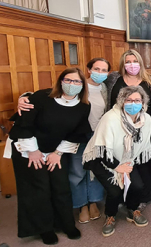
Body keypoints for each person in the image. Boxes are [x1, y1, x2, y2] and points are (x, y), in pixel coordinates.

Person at [17, 58, 111, 224]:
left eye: (104, 70)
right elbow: (49, 95)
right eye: (97, 69)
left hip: (99, 135)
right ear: (89, 70)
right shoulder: (78, 85)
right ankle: (81, 204)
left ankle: (94, 202)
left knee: (96, 170)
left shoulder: (105, 88)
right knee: (77, 171)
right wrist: (24, 97)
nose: (100, 73)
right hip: (78, 134)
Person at [7, 67, 92, 245]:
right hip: (28, 149)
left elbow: (76, 133)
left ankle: (65, 224)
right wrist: (34, 151)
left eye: (77, 81)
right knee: (39, 189)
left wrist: (57, 153)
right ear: (60, 81)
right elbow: (25, 124)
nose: (72, 84)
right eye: (68, 80)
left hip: (56, 151)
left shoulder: (84, 106)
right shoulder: (41, 97)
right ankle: (44, 228)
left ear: (82, 85)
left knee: (61, 186)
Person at [82, 86, 151, 237]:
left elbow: (143, 144)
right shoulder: (111, 117)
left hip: (126, 158)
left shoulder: (146, 119)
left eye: (137, 100)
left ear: (143, 102)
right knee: (114, 191)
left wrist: (127, 164)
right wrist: (117, 167)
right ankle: (110, 216)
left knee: (138, 186)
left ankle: (132, 210)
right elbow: (102, 148)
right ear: (122, 101)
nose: (133, 103)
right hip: (101, 159)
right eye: (129, 100)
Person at [105, 49, 151, 210]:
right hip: (119, 130)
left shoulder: (150, 81)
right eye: (128, 61)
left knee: (144, 163)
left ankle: (144, 197)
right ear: (123, 64)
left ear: (140, 62)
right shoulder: (113, 79)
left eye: (135, 61)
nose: (131, 64)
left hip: (143, 130)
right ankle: (122, 195)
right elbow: (90, 86)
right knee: (122, 162)